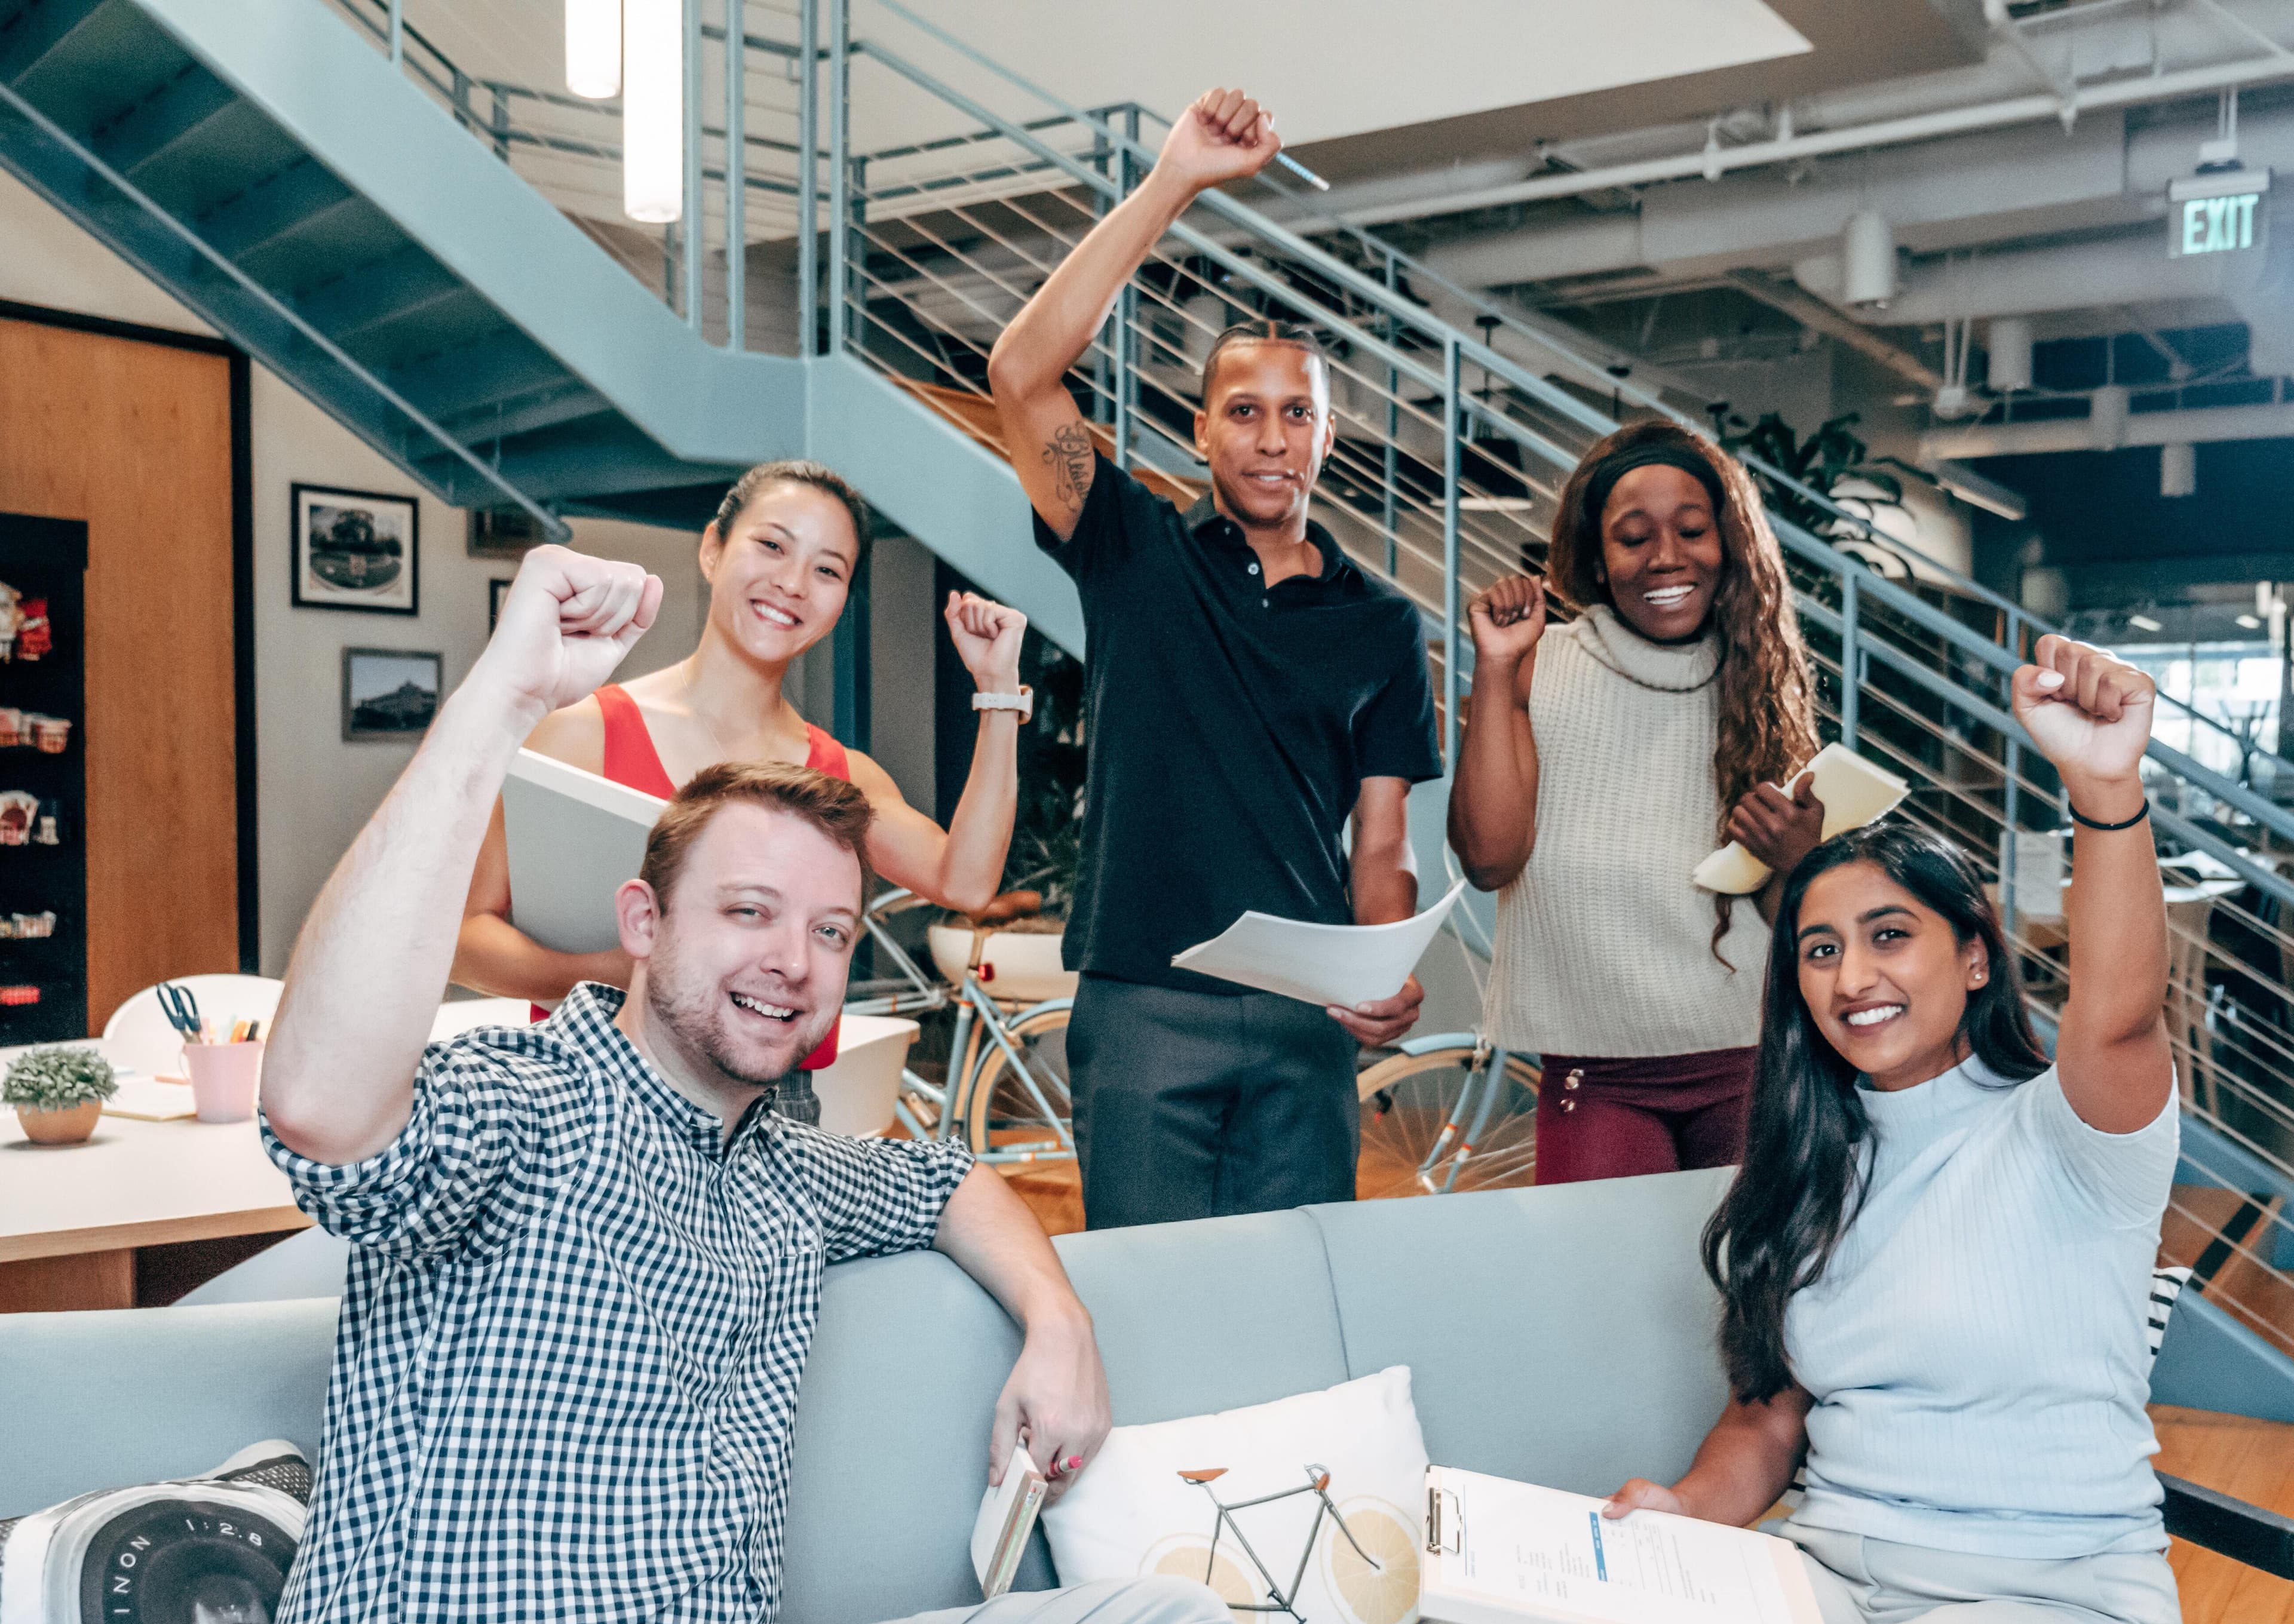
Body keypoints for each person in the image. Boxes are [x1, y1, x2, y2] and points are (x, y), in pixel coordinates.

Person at [257, 546, 1250, 1624]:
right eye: (748, 913)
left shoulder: (785, 1166)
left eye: (831, 934)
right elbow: (323, 1107)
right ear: (644, 921)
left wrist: (1059, 1321)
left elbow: (943, 1178)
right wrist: (503, 702)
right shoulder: (527, 1104)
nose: (794, 963)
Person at [1528, 636, 2193, 1624]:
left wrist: (2105, 787)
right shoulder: (1806, 1165)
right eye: (1822, 950)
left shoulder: (2072, 1132)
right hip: (1836, 1579)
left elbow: (2118, 1013)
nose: (1855, 977)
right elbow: (1766, 1420)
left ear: (1974, 955)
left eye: (1892, 935)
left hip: (2055, 1608)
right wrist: (1685, 1512)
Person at [986, 87, 1442, 1228]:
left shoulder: (1383, 623)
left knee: (1294, 1308)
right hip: (1145, 1005)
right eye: (1245, 411)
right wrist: (1174, 181)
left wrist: (1380, 970)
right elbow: (1020, 374)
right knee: (1146, 1314)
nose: (1273, 438)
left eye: (1298, 415)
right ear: (1201, 431)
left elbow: (1380, 842)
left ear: (1328, 438)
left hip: (1304, 1020)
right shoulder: (1133, 551)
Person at [453, 459, 1033, 1125]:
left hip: (772, 1112)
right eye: (772, 545)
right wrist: (624, 972)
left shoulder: (840, 775)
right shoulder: (581, 736)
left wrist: (997, 693)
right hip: (594, 1098)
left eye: (828, 569)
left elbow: (965, 882)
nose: (792, 583)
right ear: (712, 549)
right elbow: (466, 939)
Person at [1448, 420, 1823, 1184]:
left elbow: (1805, 923)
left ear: (1731, 546)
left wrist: (1802, 862)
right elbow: (1488, 859)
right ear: (1595, 556)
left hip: (1750, 1063)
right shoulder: (1533, 669)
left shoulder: (1763, 686)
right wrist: (1493, 669)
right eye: (1633, 537)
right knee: (1601, 1301)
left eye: (1693, 530)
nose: (1666, 557)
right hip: (1598, 1075)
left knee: (1750, 1302)